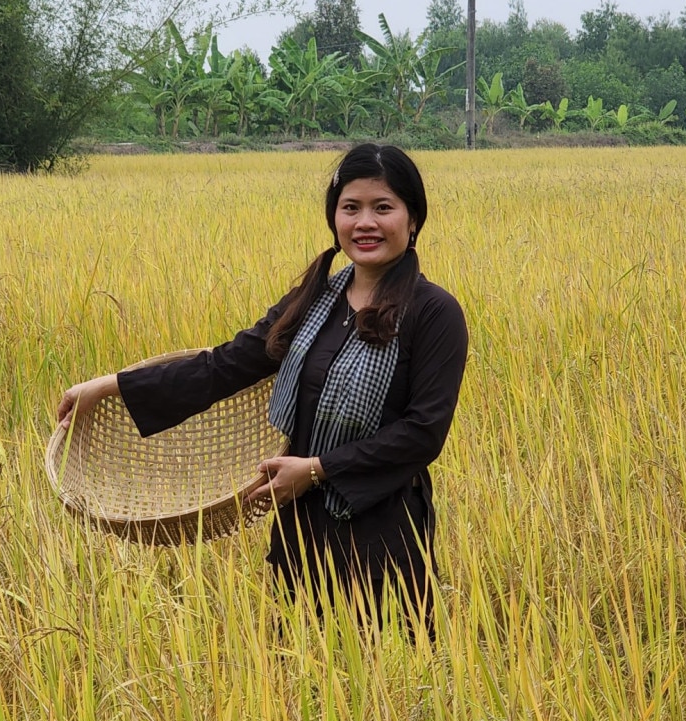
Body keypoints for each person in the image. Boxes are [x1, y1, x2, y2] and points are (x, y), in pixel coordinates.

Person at [57, 143, 467, 639]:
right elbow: (228, 364)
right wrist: (113, 385)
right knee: (296, 670)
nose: (366, 223)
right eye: (351, 207)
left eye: (383, 208)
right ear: (334, 217)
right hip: (300, 525)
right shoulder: (315, 298)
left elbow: (424, 433)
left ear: (413, 218)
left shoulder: (434, 313)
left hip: (383, 527)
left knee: (384, 679)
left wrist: (316, 470)